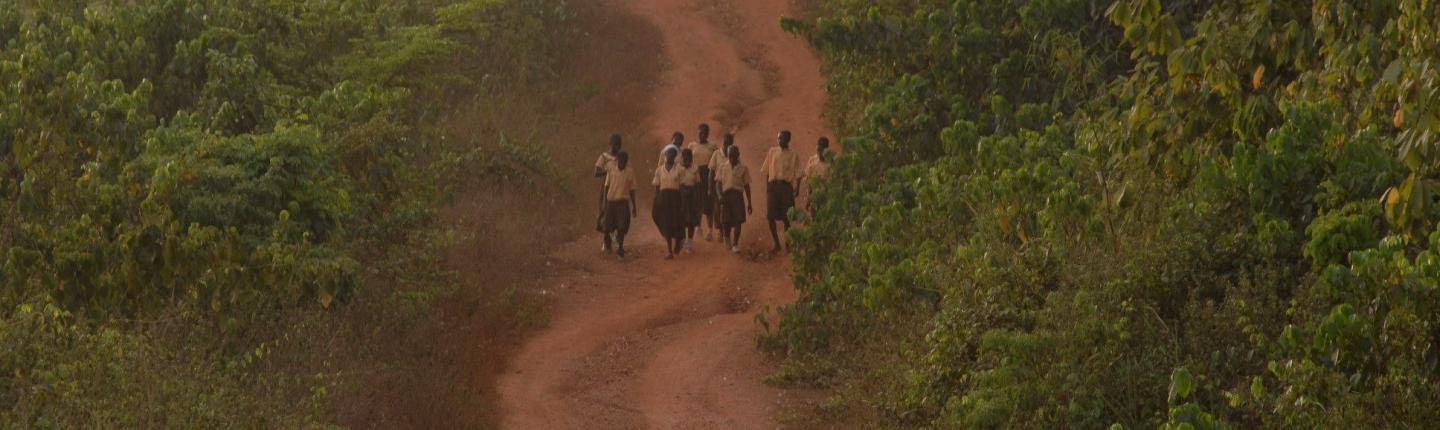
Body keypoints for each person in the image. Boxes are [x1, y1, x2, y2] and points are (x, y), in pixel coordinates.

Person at [759, 130, 801, 252]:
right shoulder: (772, 151)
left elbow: (799, 173)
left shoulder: (794, 155)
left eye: (781, 138)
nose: (779, 141)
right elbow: (766, 170)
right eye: (778, 138)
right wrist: (768, 188)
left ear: (788, 140)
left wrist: (797, 188)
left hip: (786, 187)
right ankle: (776, 243)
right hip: (773, 186)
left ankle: (788, 244)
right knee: (770, 216)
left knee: (787, 217)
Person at [716, 144, 753, 254]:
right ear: (727, 155)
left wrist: (749, 203)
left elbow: (747, 186)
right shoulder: (722, 167)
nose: (732, 156)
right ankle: (727, 236)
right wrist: (719, 196)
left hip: (737, 196)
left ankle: (735, 244)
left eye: (734, 154)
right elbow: (717, 184)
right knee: (725, 221)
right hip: (726, 196)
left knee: (738, 220)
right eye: (730, 154)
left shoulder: (743, 169)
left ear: (738, 155)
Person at [685, 124, 719, 241]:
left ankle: (710, 230)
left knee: (709, 203)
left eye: (705, 132)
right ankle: (698, 227)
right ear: (697, 132)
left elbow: (717, 161)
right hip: (695, 175)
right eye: (700, 132)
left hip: (708, 175)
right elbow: (687, 160)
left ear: (708, 133)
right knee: (696, 202)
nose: (702, 134)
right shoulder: (691, 145)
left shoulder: (713, 146)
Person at [601, 152, 638, 258]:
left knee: (622, 226)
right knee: (607, 227)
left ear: (626, 162)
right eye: (620, 161)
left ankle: (620, 248)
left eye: (624, 162)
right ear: (617, 161)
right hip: (611, 201)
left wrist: (634, 206)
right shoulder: (611, 170)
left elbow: (632, 190)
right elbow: (606, 187)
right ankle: (608, 243)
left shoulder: (630, 172)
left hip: (623, 202)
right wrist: (605, 203)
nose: (622, 164)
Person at [652, 146, 687, 259]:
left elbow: (681, 187)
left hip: (675, 198)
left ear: (675, 156)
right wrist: (657, 198)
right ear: (664, 155)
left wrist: (682, 202)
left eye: (672, 154)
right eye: (668, 154)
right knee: (665, 221)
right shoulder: (659, 170)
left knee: (676, 221)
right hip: (664, 197)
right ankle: (669, 251)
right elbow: (657, 186)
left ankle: (678, 240)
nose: (670, 156)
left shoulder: (679, 169)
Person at [594, 134, 623, 252]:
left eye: (619, 145)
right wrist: (607, 172)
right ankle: (606, 240)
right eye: (615, 144)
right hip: (606, 188)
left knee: (618, 213)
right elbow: (596, 173)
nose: (617, 147)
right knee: (605, 212)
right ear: (610, 144)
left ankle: (612, 238)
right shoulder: (604, 157)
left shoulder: (621, 157)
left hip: (619, 188)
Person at [708, 133, 735, 242]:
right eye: (725, 142)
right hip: (718, 185)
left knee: (729, 209)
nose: (727, 144)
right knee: (717, 209)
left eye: (729, 143)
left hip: (730, 186)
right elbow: (711, 171)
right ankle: (719, 230)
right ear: (723, 142)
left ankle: (726, 231)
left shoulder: (734, 154)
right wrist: (710, 187)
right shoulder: (716, 154)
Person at [800, 137, 831, 216]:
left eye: (821, 151)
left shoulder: (831, 164)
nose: (819, 153)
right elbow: (809, 181)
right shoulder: (812, 160)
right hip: (814, 196)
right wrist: (808, 199)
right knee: (814, 220)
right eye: (817, 150)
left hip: (826, 197)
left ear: (826, 150)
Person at [679, 149, 701, 253]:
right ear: (681, 158)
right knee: (681, 220)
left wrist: (696, 198)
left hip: (692, 196)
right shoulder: (678, 169)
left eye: (689, 157)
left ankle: (690, 243)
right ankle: (681, 240)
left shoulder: (695, 168)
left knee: (691, 221)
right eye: (685, 157)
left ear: (691, 159)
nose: (687, 160)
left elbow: (697, 184)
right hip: (681, 196)